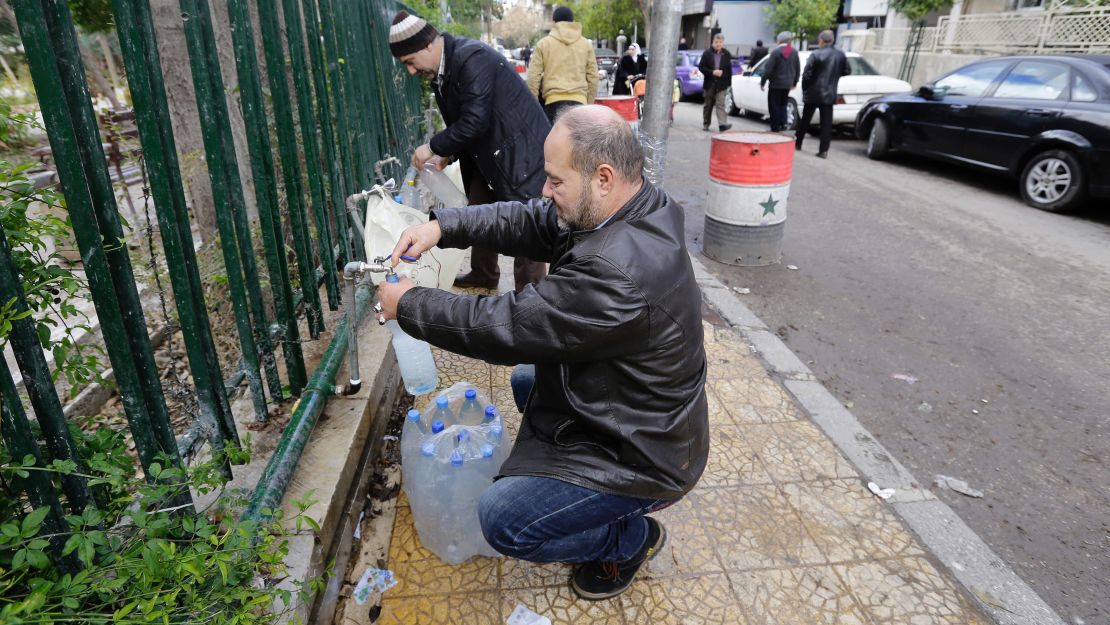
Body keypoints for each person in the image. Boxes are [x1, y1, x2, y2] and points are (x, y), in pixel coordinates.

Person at [377, 105, 709, 601]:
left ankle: (628, 537)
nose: (544, 191)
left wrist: (409, 304)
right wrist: (441, 226)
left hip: (645, 455)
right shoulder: (628, 204)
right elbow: (532, 219)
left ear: (602, 177)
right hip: (630, 412)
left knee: (502, 521)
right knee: (527, 382)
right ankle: (576, 486)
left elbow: (506, 325)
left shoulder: (620, 271)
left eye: (555, 181)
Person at [389, 10, 548, 292]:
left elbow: (475, 119)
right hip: (487, 154)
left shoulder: (471, 57)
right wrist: (447, 154)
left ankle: (532, 296)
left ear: (427, 44)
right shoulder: (442, 70)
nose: (411, 71)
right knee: (479, 214)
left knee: (527, 225)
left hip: (519, 152)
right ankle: (483, 274)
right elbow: (464, 120)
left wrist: (432, 147)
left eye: (410, 62)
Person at [527, 6, 598, 124]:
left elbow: (533, 78)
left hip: (553, 103)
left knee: (554, 142)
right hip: (579, 102)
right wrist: (588, 103)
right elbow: (593, 77)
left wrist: (535, 105)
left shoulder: (544, 44)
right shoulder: (586, 44)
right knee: (577, 142)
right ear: (572, 21)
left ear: (554, 22)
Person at [796, 30, 850, 159]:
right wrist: (834, 76)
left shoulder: (816, 54)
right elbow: (847, 70)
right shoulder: (840, 55)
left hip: (813, 92)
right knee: (826, 123)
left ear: (821, 40)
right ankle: (824, 150)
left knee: (805, 120)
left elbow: (807, 74)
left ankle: (798, 143)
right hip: (829, 92)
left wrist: (805, 89)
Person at [759, 31, 800, 132]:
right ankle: (783, 123)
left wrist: (763, 82)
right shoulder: (793, 52)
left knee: (774, 106)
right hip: (787, 84)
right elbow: (797, 68)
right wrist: (795, 82)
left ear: (779, 40)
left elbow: (768, 69)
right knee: (783, 104)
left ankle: (775, 127)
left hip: (776, 84)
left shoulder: (776, 52)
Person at [697, 33, 734, 132]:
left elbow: (729, 70)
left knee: (721, 104)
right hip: (710, 83)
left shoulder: (726, 54)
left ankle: (722, 124)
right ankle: (706, 123)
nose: (718, 44)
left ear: (723, 43)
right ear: (713, 42)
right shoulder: (707, 53)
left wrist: (729, 84)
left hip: (722, 85)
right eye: (716, 42)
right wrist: (712, 72)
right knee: (708, 105)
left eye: (720, 42)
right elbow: (701, 67)